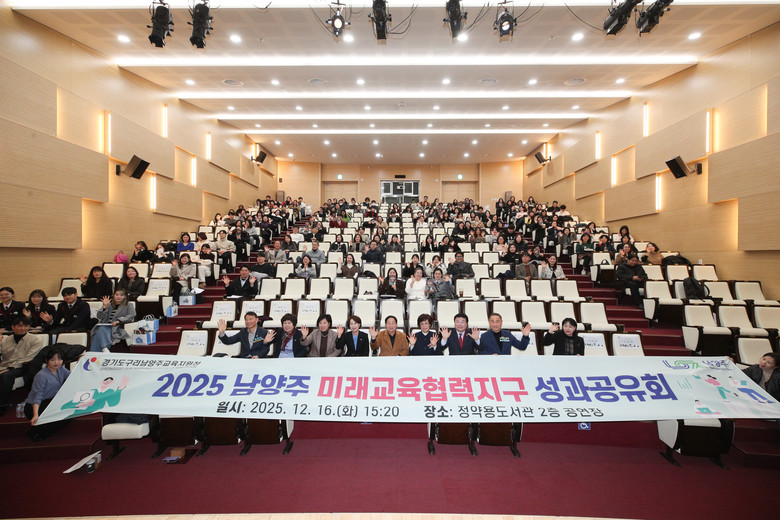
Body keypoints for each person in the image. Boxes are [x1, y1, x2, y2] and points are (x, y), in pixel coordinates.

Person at [0, 317, 46, 416]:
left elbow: (29, 358)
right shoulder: (5, 340)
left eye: (26, 326)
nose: (23, 328)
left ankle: (1, 405)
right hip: (4, 365)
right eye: (19, 326)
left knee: (5, 376)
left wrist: (9, 368)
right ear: (13, 327)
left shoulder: (35, 340)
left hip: (23, 367)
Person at [24, 347, 70, 440]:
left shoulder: (61, 369)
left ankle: (38, 430)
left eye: (59, 359)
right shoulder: (41, 375)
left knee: (68, 415)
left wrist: (81, 362)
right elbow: (37, 397)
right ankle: (37, 431)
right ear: (46, 360)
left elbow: (73, 376)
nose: (56, 362)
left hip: (50, 401)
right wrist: (35, 414)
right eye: (53, 360)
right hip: (36, 405)